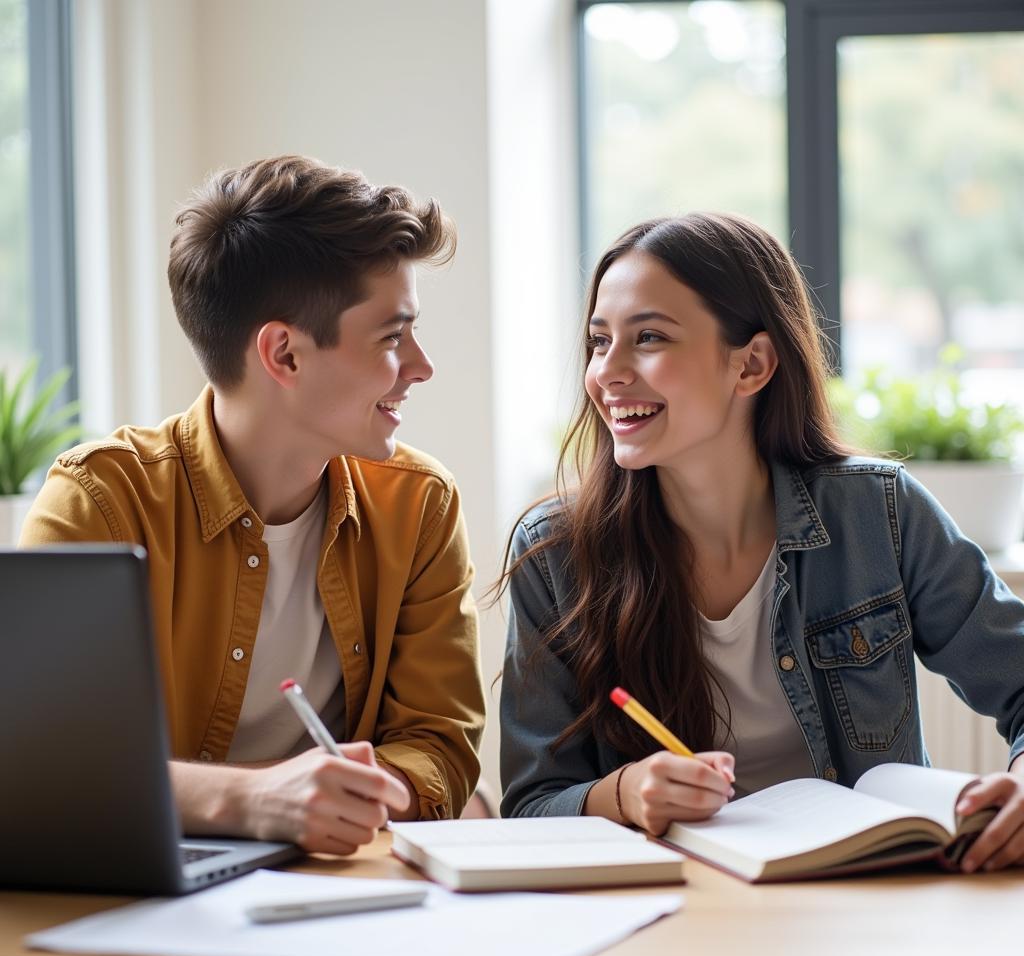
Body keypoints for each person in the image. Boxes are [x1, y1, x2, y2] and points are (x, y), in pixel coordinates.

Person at [499, 212, 1024, 872]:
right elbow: (531, 805)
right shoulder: (555, 557)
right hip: (680, 914)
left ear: (751, 365)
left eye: (650, 338)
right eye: (600, 342)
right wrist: (626, 792)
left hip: (874, 898)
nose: (609, 372)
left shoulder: (879, 514)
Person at [21, 155, 485, 855]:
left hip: (342, 881)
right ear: (285, 355)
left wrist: (356, 794)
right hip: (151, 895)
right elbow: (38, 763)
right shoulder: (98, 505)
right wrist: (255, 800)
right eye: (392, 337)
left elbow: (441, 743)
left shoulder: (420, 505)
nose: (420, 366)